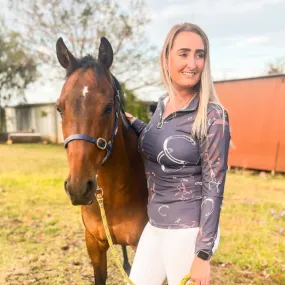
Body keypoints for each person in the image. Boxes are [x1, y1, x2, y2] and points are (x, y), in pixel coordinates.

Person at [125, 23, 231, 285]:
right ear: (166, 58)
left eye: (199, 54)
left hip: (188, 231)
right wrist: (135, 124)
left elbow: (214, 187)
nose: (192, 63)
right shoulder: (163, 105)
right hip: (155, 225)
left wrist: (203, 254)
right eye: (184, 53)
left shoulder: (213, 116)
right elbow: (158, 140)